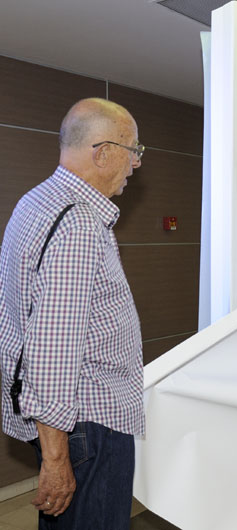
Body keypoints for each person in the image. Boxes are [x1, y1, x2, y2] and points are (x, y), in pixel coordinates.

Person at [0, 98, 145, 529]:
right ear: (104, 153)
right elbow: (52, 350)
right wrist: (56, 457)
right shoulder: (78, 222)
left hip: (68, 423)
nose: (137, 164)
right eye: (134, 150)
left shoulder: (35, 202)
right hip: (88, 423)